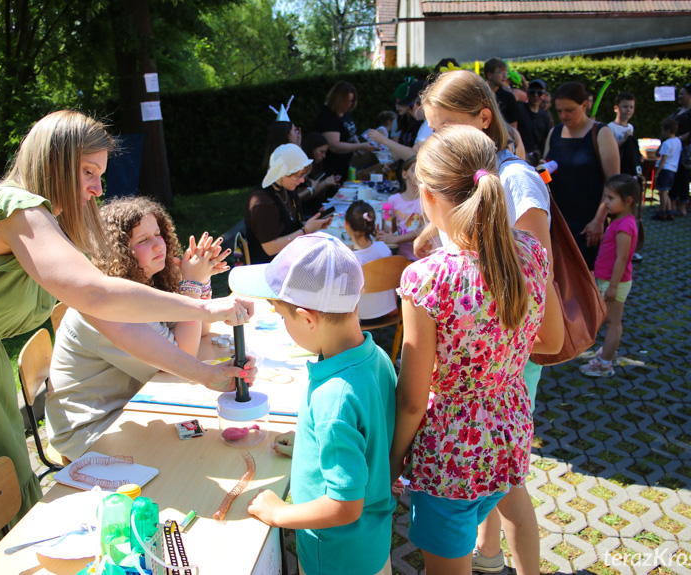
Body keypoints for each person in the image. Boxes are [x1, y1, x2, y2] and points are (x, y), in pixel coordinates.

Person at [0, 110, 254, 572]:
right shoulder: (13, 206)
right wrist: (203, 307)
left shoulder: (50, 229)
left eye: (101, 175)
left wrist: (206, 375)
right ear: (53, 161)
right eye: (88, 172)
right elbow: (99, 293)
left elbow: (114, 320)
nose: (97, 189)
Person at [391, 125, 560, 574]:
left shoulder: (427, 280)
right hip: (509, 432)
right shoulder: (532, 253)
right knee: (509, 512)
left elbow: (411, 399)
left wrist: (389, 466)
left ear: (427, 196)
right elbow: (553, 340)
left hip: (451, 454)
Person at [234, 233, 397, 575]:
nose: (283, 323)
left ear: (308, 319)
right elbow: (366, 441)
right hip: (371, 544)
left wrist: (279, 514)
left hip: (336, 558)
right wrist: (312, 445)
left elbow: (345, 506)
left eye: (282, 316)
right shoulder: (376, 357)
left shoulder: (332, 399)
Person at [47, 197, 257, 460]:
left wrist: (200, 281)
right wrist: (191, 285)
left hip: (133, 405)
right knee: (201, 456)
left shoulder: (147, 283)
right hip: (91, 428)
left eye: (158, 234)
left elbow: (200, 332)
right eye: (143, 240)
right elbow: (185, 355)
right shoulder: (113, 303)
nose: (159, 244)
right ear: (118, 250)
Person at [544, 81, 620, 270]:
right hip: (557, 220)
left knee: (586, 278)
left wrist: (599, 219)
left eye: (569, 110)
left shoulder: (601, 133)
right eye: (559, 110)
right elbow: (545, 171)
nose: (563, 115)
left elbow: (613, 182)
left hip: (588, 222)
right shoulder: (555, 133)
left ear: (585, 105)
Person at [580, 175, 640, 377]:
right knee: (609, 321)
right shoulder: (619, 220)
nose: (605, 202)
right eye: (605, 197)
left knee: (614, 323)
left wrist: (613, 286)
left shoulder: (624, 226)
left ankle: (605, 363)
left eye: (610, 198)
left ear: (628, 201)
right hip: (609, 280)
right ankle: (606, 352)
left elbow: (622, 259)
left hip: (616, 282)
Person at [244, 143, 333, 264]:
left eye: (303, 176)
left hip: (289, 259)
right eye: (297, 176)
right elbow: (270, 248)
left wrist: (314, 224)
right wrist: (306, 230)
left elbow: (288, 227)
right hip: (270, 268)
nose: (302, 181)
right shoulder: (262, 202)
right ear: (281, 173)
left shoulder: (285, 189)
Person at [343, 200, 398, 324]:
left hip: (359, 318)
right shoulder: (384, 248)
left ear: (346, 224)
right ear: (373, 224)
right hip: (387, 312)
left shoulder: (349, 259)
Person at [314, 81, 376, 180]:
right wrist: (360, 146)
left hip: (345, 164)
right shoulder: (327, 117)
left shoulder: (344, 112)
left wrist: (358, 147)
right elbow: (334, 145)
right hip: (332, 167)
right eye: (347, 102)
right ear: (338, 100)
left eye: (352, 101)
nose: (350, 105)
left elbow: (350, 132)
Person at [367, 81, 433, 162]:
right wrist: (392, 162)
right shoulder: (425, 124)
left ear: (423, 102)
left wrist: (383, 140)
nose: (411, 110)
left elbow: (414, 155)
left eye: (411, 105)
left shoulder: (429, 125)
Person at [378, 156, 424, 261]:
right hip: (403, 258)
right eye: (414, 169)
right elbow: (390, 227)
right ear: (404, 174)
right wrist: (383, 231)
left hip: (424, 258)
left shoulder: (427, 200)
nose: (419, 174)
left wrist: (394, 239)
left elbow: (424, 229)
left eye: (422, 170)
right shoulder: (393, 200)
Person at [299, 132, 341, 216]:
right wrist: (325, 183)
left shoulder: (317, 165)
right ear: (311, 149)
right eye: (321, 152)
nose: (324, 156)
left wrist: (329, 183)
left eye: (325, 152)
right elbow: (303, 197)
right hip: (306, 213)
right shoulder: (302, 167)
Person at [651, 119, 682, 221]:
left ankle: (662, 212)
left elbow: (663, 158)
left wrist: (657, 173)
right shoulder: (678, 141)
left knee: (662, 192)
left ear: (667, 130)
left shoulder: (667, 143)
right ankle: (669, 211)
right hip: (673, 170)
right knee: (666, 191)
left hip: (665, 169)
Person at [517, 79, 553, 166]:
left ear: (544, 96)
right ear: (528, 94)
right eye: (532, 92)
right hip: (521, 157)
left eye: (539, 93)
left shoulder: (545, 116)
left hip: (538, 159)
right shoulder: (519, 110)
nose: (536, 95)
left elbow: (547, 139)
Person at [484, 58, 518, 128]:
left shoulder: (509, 97)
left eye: (506, 73)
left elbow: (513, 125)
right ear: (489, 75)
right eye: (501, 72)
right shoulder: (478, 94)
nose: (505, 76)